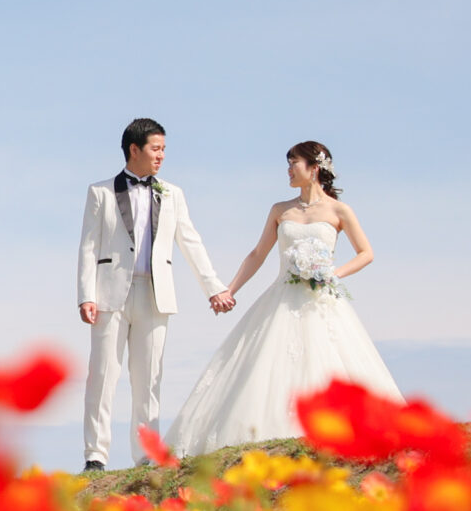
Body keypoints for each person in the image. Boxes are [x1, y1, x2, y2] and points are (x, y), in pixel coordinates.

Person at [165, 140, 404, 459]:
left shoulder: (338, 210)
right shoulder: (281, 210)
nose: (289, 170)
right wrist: (229, 290)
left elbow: (366, 253)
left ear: (314, 169)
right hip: (282, 297)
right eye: (288, 164)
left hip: (323, 301)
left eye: (295, 163)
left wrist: (334, 273)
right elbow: (258, 254)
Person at [75, 118, 231, 471]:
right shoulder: (99, 192)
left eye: (164, 149)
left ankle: (146, 454)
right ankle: (95, 455)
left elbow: (190, 241)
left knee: (149, 379)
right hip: (108, 295)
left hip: (156, 294)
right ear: (135, 149)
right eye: (155, 149)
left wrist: (214, 287)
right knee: (102, 375)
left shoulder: (172, 193)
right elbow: (88, 246)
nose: (162, 156)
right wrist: (86, 294)